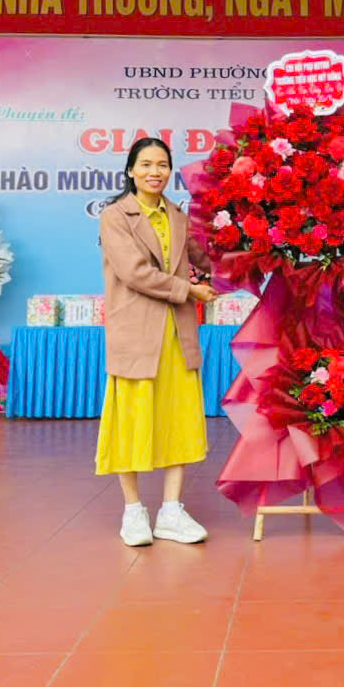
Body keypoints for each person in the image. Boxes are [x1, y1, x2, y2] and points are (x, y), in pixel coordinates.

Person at [96, 138, 218, 546]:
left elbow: (206, 259)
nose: (155, 172)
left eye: (162, 164)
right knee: (130, 421)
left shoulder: (179, 217)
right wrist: (190, 290)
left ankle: (171, 511)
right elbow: (134, 273)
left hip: (177, 333)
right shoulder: (115, 216)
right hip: (136, 332)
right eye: (146, 164)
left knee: (179, 419)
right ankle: (133, 511)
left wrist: (250, 250)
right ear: (130, 171)